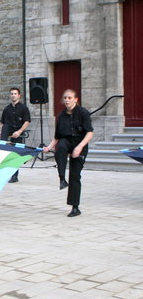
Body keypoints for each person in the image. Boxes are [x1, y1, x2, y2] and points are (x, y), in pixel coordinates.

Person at [43, 89, 93, 217]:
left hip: (80, 143)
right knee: (61, 146)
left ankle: (75, 207)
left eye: (69, 98)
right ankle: (61, 178)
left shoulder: (83, 113)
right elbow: (58, 136)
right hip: (66, 141)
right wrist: (49, 147)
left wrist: (79, 147)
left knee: (75, 175)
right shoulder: (61, 116)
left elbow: (89, 133)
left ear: (76, 99)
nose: (66, 100)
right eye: (65, 98)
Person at [0, 87, 31, 183]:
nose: (13, 95)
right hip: (7, 130)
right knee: (5, 153)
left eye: (15, 93)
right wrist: (0, 131)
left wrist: (19, 132)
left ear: (19, 95)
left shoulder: (24, 108)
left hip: (18, 132)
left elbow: (27, 122)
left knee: (15, 155)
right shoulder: (6, 109)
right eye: (11, 93)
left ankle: (14, 176)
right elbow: (2, 122)